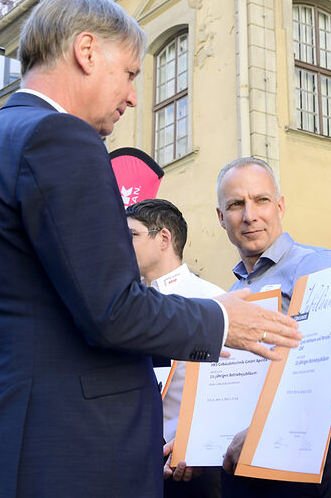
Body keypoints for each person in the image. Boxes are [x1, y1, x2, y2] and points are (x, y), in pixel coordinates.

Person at [0, 0, 299, 497]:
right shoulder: (60, 137)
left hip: (12, 441)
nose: (134, 95)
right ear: (86, 51)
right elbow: (112, 310)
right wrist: (222, 320)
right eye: (131, 73)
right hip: (68, 452)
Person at [214, 157, 331, 497]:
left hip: (298, 461)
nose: (250, 215)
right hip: (238, 464)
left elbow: (323, 368)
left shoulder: (316, 265)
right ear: (221, 218)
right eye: (236, 204)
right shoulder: (229, 297)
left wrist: (261, 431)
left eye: (261, 200)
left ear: (280, 206)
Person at [125, 198, 223, 498]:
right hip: (131, 466)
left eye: (130, 235)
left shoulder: (212, 302)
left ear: (164, 238)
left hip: (192, 469)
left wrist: (197, 442)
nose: (120, 245)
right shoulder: (123, 308)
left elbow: (229, 392)